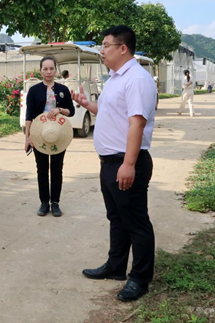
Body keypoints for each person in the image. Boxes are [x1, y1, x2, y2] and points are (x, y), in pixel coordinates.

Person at [71, 25, 157, 302]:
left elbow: (137, 123)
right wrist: (87, 104)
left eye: (106, 45)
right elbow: (110, 112)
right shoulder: (115, 78)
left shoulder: (138, 79)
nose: (101, 50)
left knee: (135, 222)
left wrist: (129, 164)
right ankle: (116, 267)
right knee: (117, 219)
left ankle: (140, 278)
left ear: (123, 48)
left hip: (126, 161)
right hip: (110, 162)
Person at [24, 56, 75, 217]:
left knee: (57, 169)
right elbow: (29, 114)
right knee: (42, 169)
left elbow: (71, 111)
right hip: (40, 134)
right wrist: (27, 137)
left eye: (51, 68)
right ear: (40, 70)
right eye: (45, 69)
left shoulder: (62, 89)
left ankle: (56, 203)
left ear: (55, 70)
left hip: (58, 134)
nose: (48, 72)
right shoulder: (34, 90)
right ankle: (44, 202)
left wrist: (59, 110)